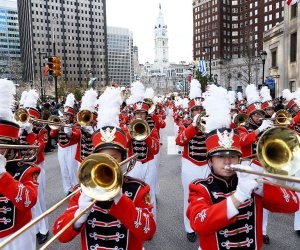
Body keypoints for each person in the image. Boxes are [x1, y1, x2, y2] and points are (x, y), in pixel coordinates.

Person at [186, 84, 299, 250]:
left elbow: (292, 204)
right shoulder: (199, 188)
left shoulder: (251, 181)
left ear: (239, 159)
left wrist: (261, 186)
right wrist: (238, 197)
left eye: (232, 156)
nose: (228, 162)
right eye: (221, 157)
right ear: (210, 161)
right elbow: (200, 223)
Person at [53, 87, 156, 250]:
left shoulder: (138, 189)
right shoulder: (81, 191)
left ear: (124, 159)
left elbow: (148, 231)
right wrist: (79, 215)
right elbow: (60, 235)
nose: (109, 163)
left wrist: (121, 201)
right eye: (103, 158)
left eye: (114, 158)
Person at [0, 79, 40, 250]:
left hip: (17, 236)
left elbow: (27, 202)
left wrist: (2, 175)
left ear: (8, 148)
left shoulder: (26, 170)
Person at [176, 79, 210, 243]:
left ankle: (206, 223)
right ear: (191, 112)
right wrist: (193, 126)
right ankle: (189, 227)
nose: (198, 112)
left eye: (200, 109)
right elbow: (179, 141)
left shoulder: (211, 123)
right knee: (189, 196)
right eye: (195, 109)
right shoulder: (185, 123)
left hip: (208, 164)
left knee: (208, 195)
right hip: (190, 163)